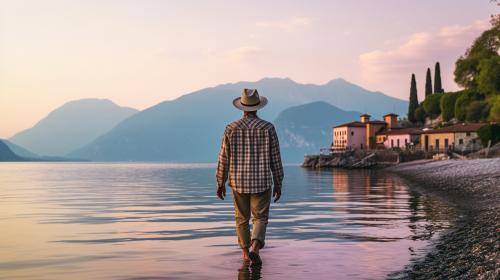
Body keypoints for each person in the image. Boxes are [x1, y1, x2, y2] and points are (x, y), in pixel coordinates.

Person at [216, 88, 284, 266]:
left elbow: (224, 157)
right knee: (260, 217)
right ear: (257, 107)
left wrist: (220, 181)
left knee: (241, 218)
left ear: (242, 108)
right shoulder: (268, 128)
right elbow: (275, 157)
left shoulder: (231, 128)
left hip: (238, 182)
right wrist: (278, 182)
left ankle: (246, 255)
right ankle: (255, 247)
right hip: (262, 181)